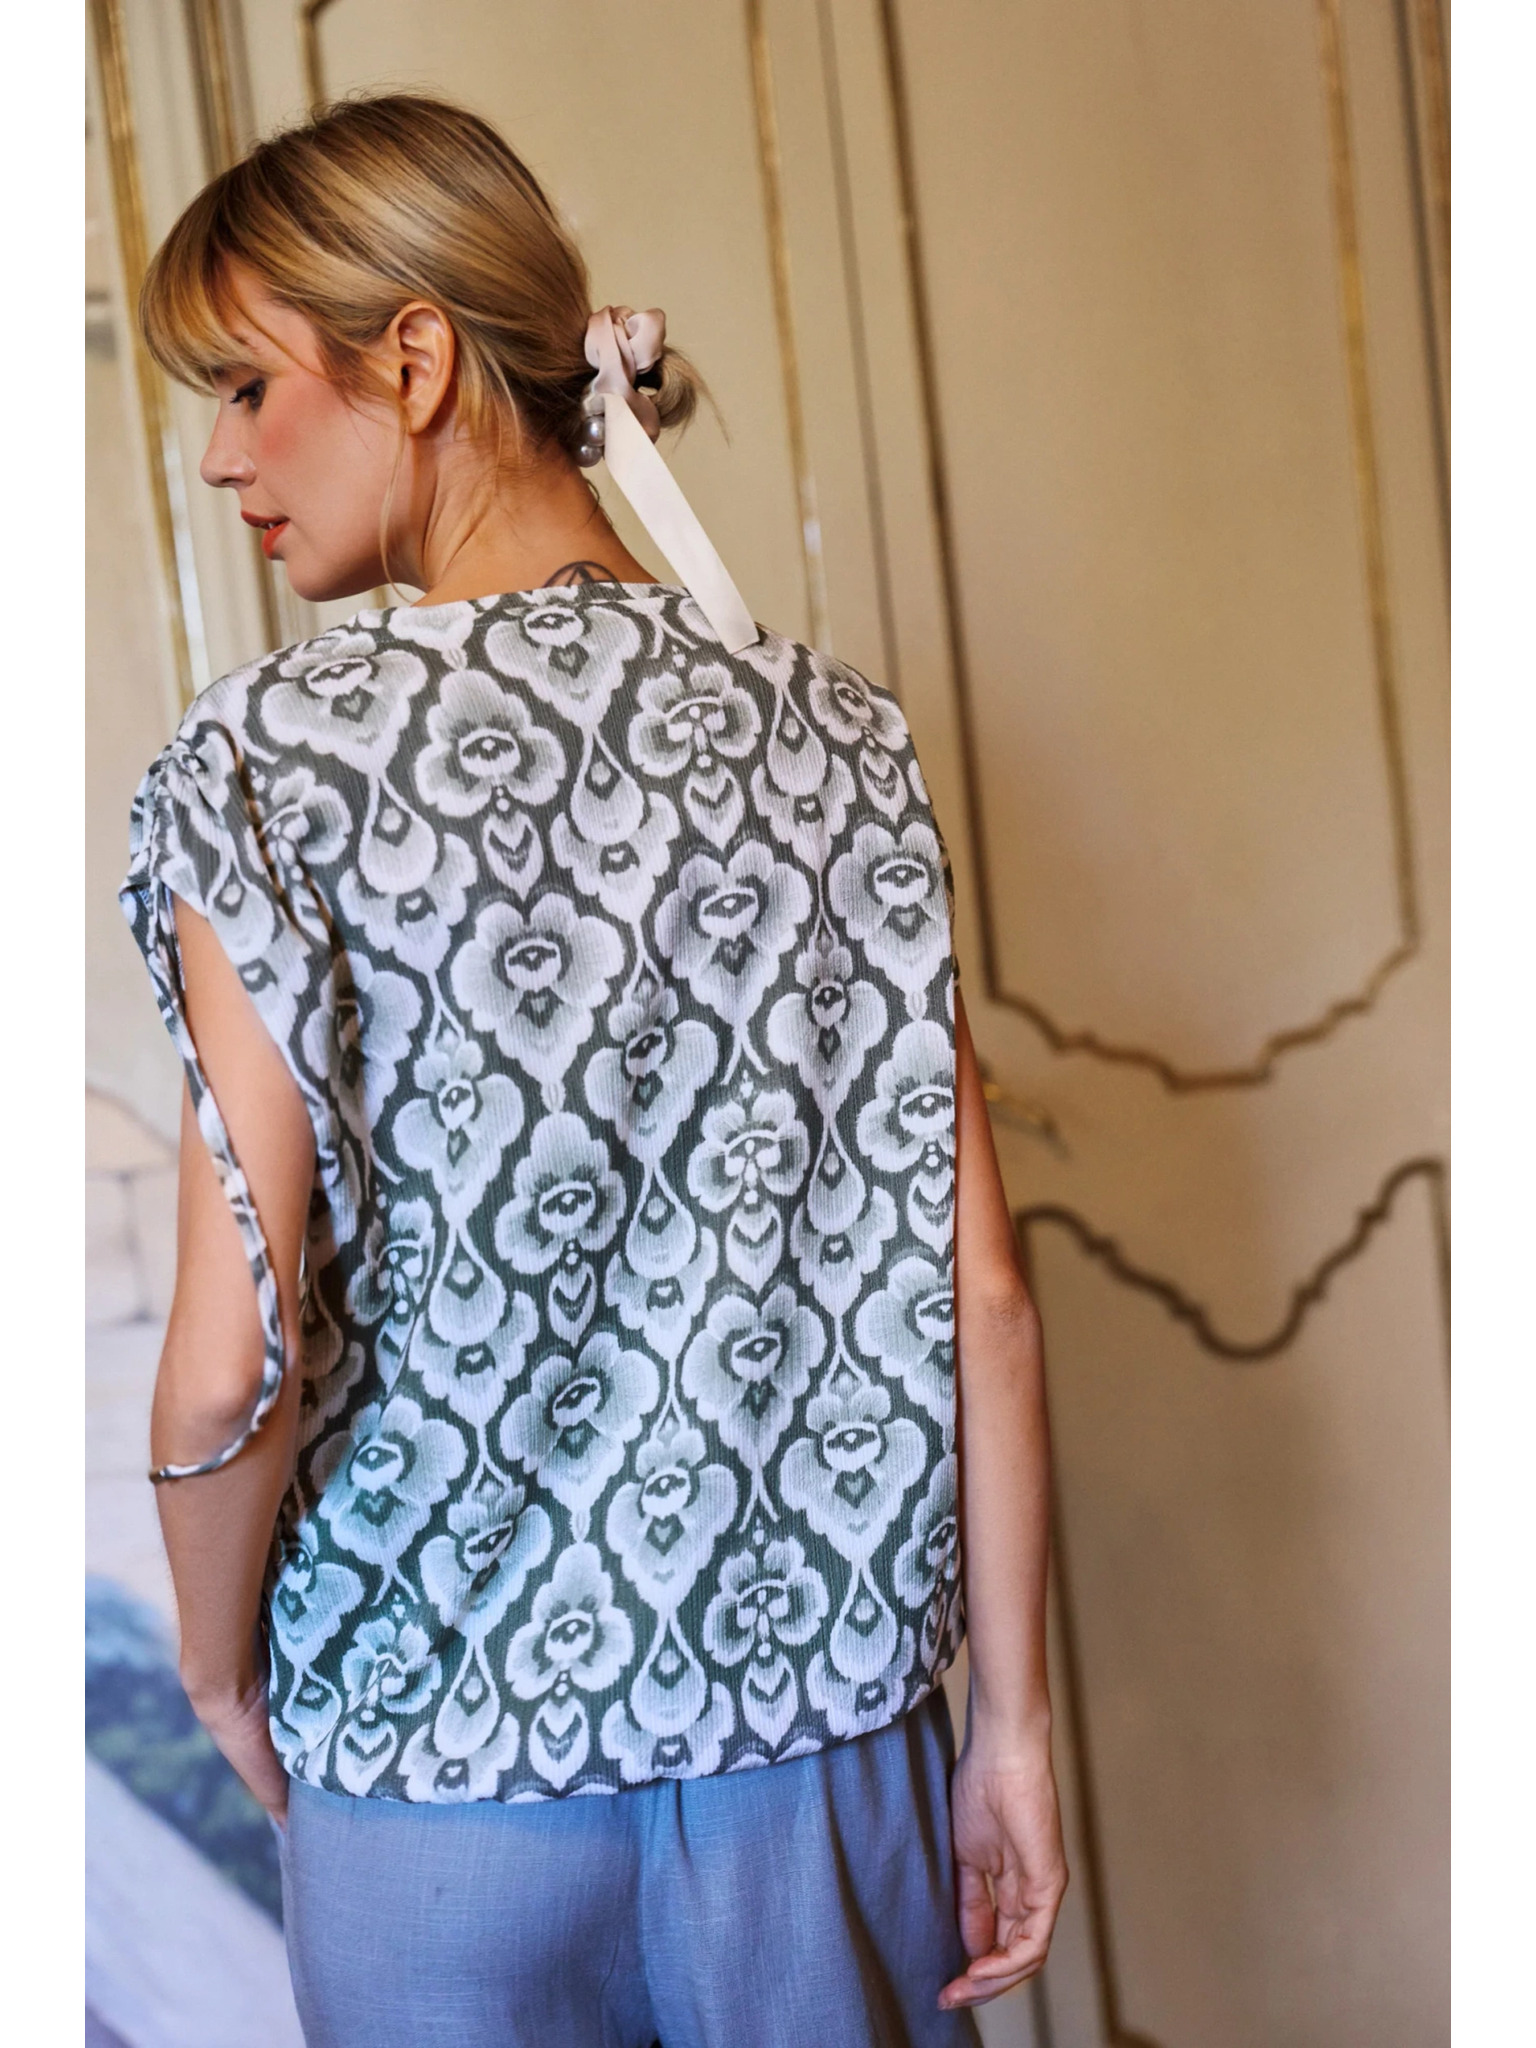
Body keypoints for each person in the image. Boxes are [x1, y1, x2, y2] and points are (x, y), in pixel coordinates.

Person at [122, 91, 1066, 2048]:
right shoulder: (841, 742)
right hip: (824, 1754)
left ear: (412, 358)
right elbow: (979, 1289)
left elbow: (230, 1363)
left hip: (436, 1770)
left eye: (244, 387)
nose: (219, 456)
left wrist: (217, 1669)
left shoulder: (269, 767)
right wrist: (1012, 1727)